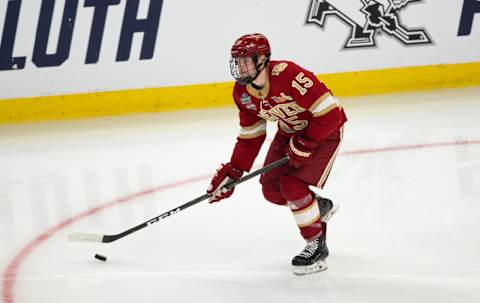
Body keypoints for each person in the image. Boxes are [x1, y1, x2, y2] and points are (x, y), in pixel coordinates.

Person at [207, 33, 347, 275]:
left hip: (324, 130)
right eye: (237, 62)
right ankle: (316, 208)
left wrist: (307, 142)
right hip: (289, 132)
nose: (240, 67)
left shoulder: (288, 75)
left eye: (246, 61)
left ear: (263, 59)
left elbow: (331, 114)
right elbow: (251, 135)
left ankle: (316, 245)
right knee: (272, 189)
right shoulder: (242, 93)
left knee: (292, 184)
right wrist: (235, 170)